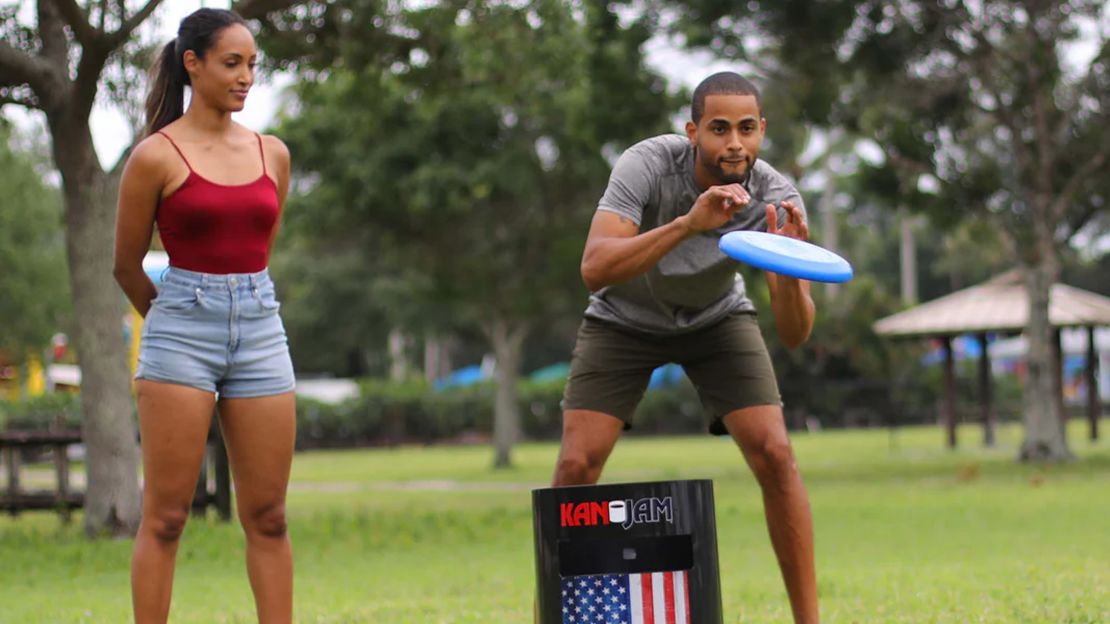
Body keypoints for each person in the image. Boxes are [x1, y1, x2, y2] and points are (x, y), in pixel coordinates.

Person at [552, 71, 820, 623]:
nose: (734, 144)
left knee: (776, 453)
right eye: (719, 129)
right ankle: (550, 615)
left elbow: (795, 333)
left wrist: (791, 273)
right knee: (577, 465)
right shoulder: (646, 165)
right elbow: (594, 268)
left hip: (717, 318)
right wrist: (687, 224)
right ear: (692, 130)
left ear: (763, 131)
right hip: (623, 319)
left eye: (747, 129)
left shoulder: (776, 194)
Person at [113, 8, 295, 624]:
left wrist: (239, 307)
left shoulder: (273, 154)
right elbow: (127, 265)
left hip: (261, 325)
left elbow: (259, 247)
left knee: (268, 515)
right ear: (192, 65)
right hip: (180, 329)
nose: (246, 78)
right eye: (232, 63)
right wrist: (172, 327)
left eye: (252, 66)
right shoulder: (155, 157)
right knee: (166, 517)